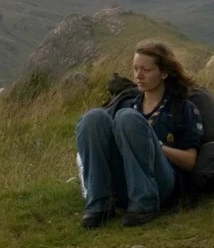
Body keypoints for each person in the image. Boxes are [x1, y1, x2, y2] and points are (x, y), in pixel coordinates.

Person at [75, 40, 204, 228]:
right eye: (135, 69)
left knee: (128, 118)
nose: (138, 76)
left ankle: (145, 204)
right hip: (124, 181)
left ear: (164, 73)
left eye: (146, 70)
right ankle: (99, 204)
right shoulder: (125, 103)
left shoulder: (181, 108)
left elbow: (190, 161)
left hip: (159, 181)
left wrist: (156, 146)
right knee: (93, 117)